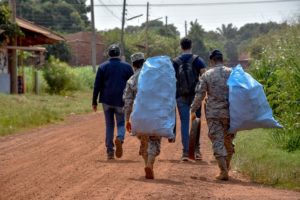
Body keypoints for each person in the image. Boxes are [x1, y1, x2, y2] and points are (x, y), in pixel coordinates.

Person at [190, 49, 235, 181]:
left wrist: (193, 109)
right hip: (231, 114)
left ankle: (223, 171)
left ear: (211, 60)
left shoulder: (207, 75)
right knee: (228, 141)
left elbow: (200, 95)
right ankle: (226, 166)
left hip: (214, 114)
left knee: (217, 141)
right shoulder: (232, 73)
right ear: (222, 60)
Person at [123, 52, 161, 179]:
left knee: (144, 141)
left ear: (133, 65)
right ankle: (150, 164)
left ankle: (146, 164)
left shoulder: (131, 80)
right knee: (154, 140)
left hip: (138, 116)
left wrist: (127, 119)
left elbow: (128, 102)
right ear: (144, 63)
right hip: (154, 113)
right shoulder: (155, 76)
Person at [92, 44, 134, 160]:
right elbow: (133, 85)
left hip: (106, 100)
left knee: (109, 125)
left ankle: (110, 151)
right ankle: (120, 138)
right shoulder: (127, 67)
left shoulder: (102, 67)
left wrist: (94, 101)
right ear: (119, 54)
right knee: (121, 123)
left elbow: (97, 86)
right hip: (121, 100)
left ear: (109, 54)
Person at [173, 37, 206, 161]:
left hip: (180, 96)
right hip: (195, 96)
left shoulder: (175, 62)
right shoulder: (198, 60)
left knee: (184, 123)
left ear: (181, 47)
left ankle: (186, 152)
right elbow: (204, 76)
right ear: (191, 46)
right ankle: (196, 151)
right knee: (196, 122)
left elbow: (171, 79)